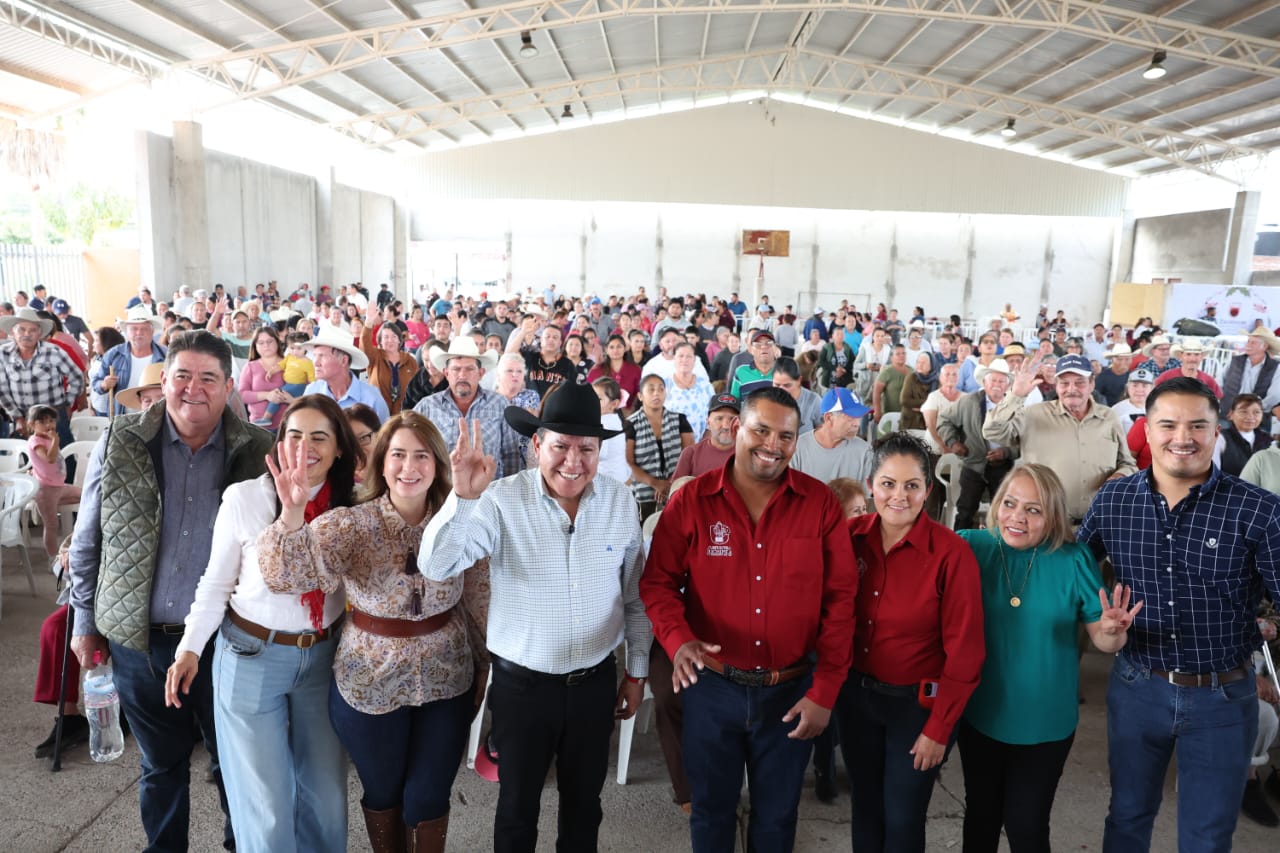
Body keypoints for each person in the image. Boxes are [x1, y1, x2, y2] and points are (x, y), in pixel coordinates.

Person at [419, 381, 651, 853]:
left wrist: (637, 672)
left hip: (592, 685)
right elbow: (436, 566)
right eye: (560, 446)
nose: (573, 460)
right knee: (517, 809)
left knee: (585, 807)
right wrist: (462, 498)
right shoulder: (501, 500)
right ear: (536, 444)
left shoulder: (620, 503)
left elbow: (635, 597)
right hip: (522, 688)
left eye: (586, 448)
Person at [67, 330, 275, 852]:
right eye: (181, 375)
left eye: (208, 378)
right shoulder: (122, 439)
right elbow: (88, 539)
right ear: (164, 380)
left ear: (229, 387)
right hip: (139, 641)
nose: (193, 388)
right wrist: (84, 622)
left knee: (233, 762)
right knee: (160, 765)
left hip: (226, 641)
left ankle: (241, 846)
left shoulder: (258, 451)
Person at [256, 409, 488, 853]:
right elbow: (287, 575)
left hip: (447, 679)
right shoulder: (352, 524)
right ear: (381, 463)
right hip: (369, 685)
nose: (409, 467)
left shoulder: (459, 523)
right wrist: (291, 514)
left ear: (437, 464)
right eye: (397, 454)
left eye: (422, 456)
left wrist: (485, 665)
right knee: (384, 794)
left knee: (427, 796)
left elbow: (478, 598)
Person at [639, 385, 856, 850]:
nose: (772, 445)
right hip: (712, 689)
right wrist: (678, 641)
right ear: (736, 428)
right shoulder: (692, 501)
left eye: (785, 436)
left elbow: (841, 600)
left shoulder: (819, 505)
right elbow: (657, 584)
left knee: (777, 821)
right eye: (761, 430)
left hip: (793, 693)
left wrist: (826, 691)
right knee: (711, 816)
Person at [1078, 376, 1280, 852]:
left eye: (1197, 425)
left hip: (1223, 697)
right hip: (1136, 687)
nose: (1182, 437)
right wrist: (1096, 621)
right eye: (1167, 424)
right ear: (1146, 431)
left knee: (1207, 837)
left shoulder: (1259, 510)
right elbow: (1074, 570)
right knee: (1126, 818)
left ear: (1217, 432)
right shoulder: (1115, 499)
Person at [162, 397, 357, 853]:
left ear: (339, 449)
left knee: (327, 796)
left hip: (324, 658)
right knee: (265, 804)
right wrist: (190, 648)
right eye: (293, 435)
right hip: (252, 656)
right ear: (278, 442)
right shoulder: (247, 498)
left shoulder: (351, 507)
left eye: (319, 437)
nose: (303, 448)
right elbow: (216, 583)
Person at [957, 463, 1138, 853]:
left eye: (1033, 510)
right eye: (1009, 503)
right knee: (981, 817)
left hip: (1045, 721)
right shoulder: (971, 546)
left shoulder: (1072, 560)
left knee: (1027, 824)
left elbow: (1105, 641)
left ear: (1051, 516)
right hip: (981, 711)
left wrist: (1112, 632)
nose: (1017, 517)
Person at [839, 432, 985, 853]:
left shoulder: (950, 554)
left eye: (911, 485)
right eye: (887, 483)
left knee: (903, 817)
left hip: (917, 709)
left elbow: (966, 651)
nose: (898, 496)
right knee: (865, 808)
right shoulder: (849, 538)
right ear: (870, 485)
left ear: (927, 490)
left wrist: (939, 728)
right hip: (857, 701)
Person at [984, 354, 1136, 524]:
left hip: (1100, 521)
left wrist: (1119, 476)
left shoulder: (1109, 416)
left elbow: (1128, 463)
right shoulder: (1033, 414)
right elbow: (993, 432)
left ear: (1092, 384)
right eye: (1064, 383)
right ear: (1056, 386)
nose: (1072, 389)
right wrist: (1015, 395)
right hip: (1048, 522)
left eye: (1079, 382)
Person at [415, 338, 522, 480]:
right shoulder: (427, 406)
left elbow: (511, 453)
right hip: (442, 496)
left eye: (470, 369)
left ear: (481, 373)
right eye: (456, 369)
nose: (462, 375)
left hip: (488, 494)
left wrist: (507, 495)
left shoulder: (499, 404)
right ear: (446, 373)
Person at [938, 358, 1017, 530]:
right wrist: (953, 442)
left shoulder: (1015, 407)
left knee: (1003, 512)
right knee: (965, 511)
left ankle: (999, 547)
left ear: (1007, 385)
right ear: (984, 382)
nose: (997, 384)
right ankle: (959, 547)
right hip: (973, 464)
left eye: (1001, 381)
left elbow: (1023, 439)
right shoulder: (968, 402)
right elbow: (944, 420)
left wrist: (1007, 452)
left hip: (1003, 467)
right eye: (993, 380)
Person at [0, 307, 84, 446]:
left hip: (54, 416)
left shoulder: (53, 352)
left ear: (39, 334)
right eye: (21, 329)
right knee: (29, 459)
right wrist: (17, 417)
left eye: (32, 330)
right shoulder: (3, 354)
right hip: (23, 417)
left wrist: (67, 404)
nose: (27, 334)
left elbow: (77, 377)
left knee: (63, 457)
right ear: (13, 332)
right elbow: (2, 389)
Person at [626, 374, 695, 519]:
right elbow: (627, 463)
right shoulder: (630, 424)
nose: (656, 393)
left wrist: (670, 482)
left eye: (661, 389)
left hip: (676, 490)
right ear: (640, 396)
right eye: (651, 390)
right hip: (643, 497)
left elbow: (690, 456)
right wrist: (656, 484)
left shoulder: (680, 420)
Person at [302, 324, 390, 423]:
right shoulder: (312, 392)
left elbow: (383, 437)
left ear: (344, 360)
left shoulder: (371, 398)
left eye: (322, 356)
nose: (315, 363)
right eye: (315, 356)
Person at [790, 388, 875, 484]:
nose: (857, 424)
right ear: (829, 418)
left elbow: (865, 497)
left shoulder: (865, 452)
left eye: (859, 417)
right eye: (850, 418)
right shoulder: (798, 448)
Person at [359, 305, 419, 415]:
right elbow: (365, 345)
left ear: (399, 340)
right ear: (380, 341)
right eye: (386, 337)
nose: (390, 340)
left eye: (394, 337)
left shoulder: (410, 360)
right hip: (377, 413)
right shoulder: (375, 356)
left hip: (404, 414)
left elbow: (416, 387)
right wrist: (368, 322)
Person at [1220, 326, 1280, 431]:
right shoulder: (1235, 361)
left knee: (1256, 446)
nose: (1248, 345)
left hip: (1257, 421)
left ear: (1265, 346)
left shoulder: (1275, 367)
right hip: (1228, 414)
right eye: (1248, 341)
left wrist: (1250, 411)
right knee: (1224, 444)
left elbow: (1274, 396)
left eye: (1253, 342)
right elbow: (1219, 383)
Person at [664, 342, 716, 440]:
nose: (684, 360)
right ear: (674, 359)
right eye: (681, 356)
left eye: (689, 356)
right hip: (671, 443)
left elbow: (714, 414)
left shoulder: (706, 386)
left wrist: (706, 438)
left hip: (701, 443)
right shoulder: (664, 385)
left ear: (695, 360)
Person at [1213, 393, 1270, 476]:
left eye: (1256, 412)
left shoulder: (1268, 441)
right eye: (1243, 412)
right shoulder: (1220, 438)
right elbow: (1212, 473)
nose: (1250, 417)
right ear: (1231, 414)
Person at [771, 356, 823, 433]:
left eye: (787, 385)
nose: (781, 390)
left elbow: (823, 432)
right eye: (777, 385)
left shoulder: (813, 401)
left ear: (799, 380)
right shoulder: (767, 400)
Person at [586, 334, 641, 406]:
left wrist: (631, 410)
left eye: (619, 347)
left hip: (629, 414)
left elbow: (639, 394)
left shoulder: (635, 370)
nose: (615, 350)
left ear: (625, 349)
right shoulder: (596, 371)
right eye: (611, 347)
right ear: (606, 350)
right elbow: (588, 395)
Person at [1157, 338, 1222, 398]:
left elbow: (1217, 401)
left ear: (1201, 356)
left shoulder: (1208, 381)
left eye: (1196, 354)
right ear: (1181, 356)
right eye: (1188, 354)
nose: (1192, 359)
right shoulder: (1166, 377)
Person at [920, 362, 962, 452]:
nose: (951, 377)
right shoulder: (934, 396)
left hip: (959, 445)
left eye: (954, 374)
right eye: (947, 374)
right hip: (936, 444)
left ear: (958, 378)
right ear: (940, 378)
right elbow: (931, 424)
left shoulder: (966, 397)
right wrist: (943, 445)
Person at [899, 352, 934, 431]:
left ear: (931, 365)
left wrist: (920, 406)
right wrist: (927, 405)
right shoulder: (911, 377)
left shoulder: (937, 380)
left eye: (923, 363)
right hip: (910, 422)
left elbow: (938, 403)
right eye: (918, 362)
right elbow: (904, 400)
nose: (919, 365)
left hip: (929, 422)